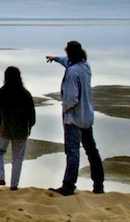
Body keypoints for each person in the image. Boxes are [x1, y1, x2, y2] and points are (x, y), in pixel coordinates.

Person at [46, 40, 105, 196]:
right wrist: (56, 58)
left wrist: (64, 109)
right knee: (92, 151)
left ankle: (68, 185)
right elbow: (67, 62)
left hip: (73, 118)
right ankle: (98, 184)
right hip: (87, 116)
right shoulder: (85, 66)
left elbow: (71, 98)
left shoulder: (73, 72)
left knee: (72, 152)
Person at [0, 66, 36, 191]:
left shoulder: (0, 93)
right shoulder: (25, 94)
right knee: (18, 157)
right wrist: (30, 125)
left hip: (4, 127)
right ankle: (14, 184)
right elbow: (31, 113)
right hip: (21, 129)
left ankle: (0, 176)